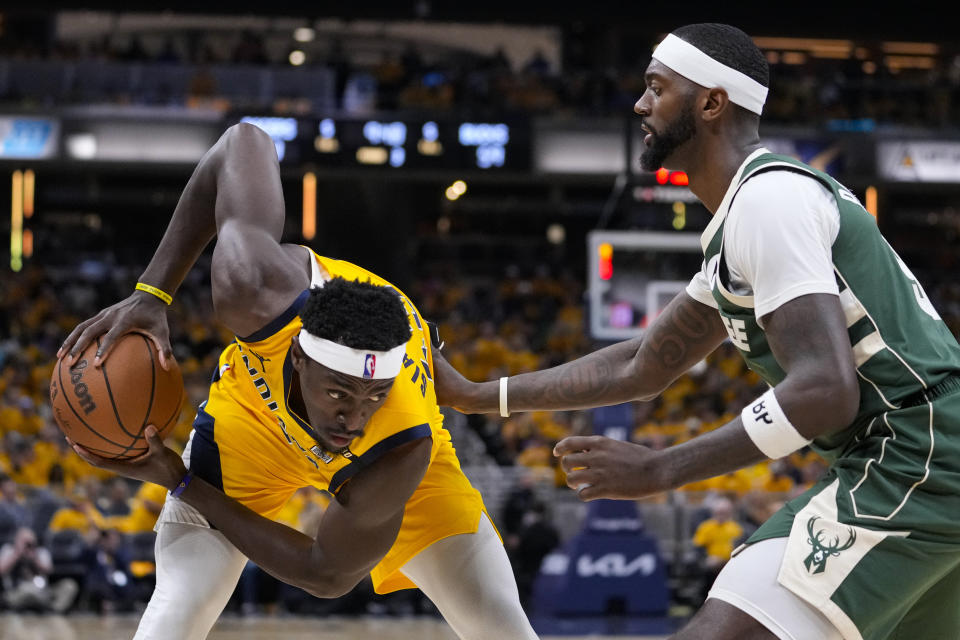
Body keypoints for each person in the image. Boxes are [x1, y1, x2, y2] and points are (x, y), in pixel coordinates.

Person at [436, 23, 960, 640]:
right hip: (912, 458)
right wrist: (479, 395)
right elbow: (639, 368)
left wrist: (660, 470)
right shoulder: (741, 225)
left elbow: (824, 391)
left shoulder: (771, 202)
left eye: (656, 88)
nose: (640, 104)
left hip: (917, 454)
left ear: (711, 103)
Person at [59, 122, 537, 640]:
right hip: (255, 424)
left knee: (500, 625)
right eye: (339, 393)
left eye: (373, 396)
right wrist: (153, 293)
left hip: (381, 465)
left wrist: (182, 481)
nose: (353, 419)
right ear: (300, 359)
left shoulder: (403, 447)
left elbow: (325, 573)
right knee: (176, 614)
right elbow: (243, 141)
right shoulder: (254, 288)